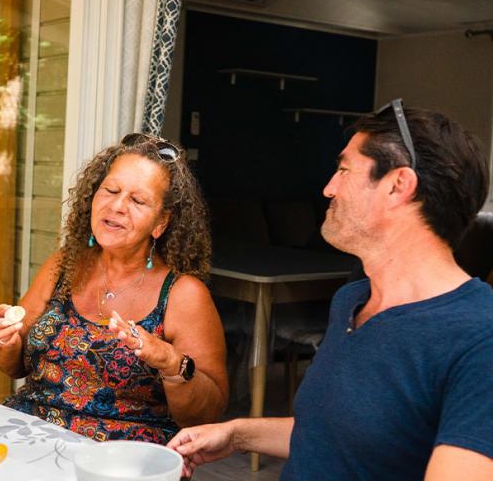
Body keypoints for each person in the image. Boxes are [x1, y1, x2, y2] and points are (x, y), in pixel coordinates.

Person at [168, 101, 493, 479]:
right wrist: (237, 434)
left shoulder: (479, 340)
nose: (328, 188)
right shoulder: (352, 301)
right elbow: (336, 435)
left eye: (343, 170)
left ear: (398, 185)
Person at [0, 133, 229, 443]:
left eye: (137, 200)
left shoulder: (183, 294)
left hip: (124, 458)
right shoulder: (63, 266)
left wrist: (171, 364)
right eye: (110, 190)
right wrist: (2, 338)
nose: (118, 206)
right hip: (33, 436)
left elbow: (207, 414)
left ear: (160, 223)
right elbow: (13, 367)